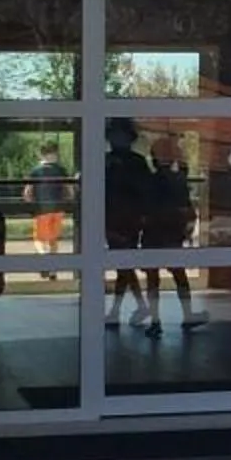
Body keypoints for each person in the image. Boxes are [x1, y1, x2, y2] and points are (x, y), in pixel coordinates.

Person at [142, 133, 207, 334]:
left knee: (153, 277)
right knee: (179, 274)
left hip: (153, 230)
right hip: (171, 231)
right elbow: (185, 206)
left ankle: (155, 321)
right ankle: (187, 315)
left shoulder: (149, 181)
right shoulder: (177, 180)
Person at [101, 118, 156, 329]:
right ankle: (133, 307)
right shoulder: (118, 161)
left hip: (126, 218)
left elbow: (145, 191)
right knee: (124, 264)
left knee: (123, 264)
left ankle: (118, 310)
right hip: (115, 217)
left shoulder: (131, 162)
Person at [26, 138, 72, 281]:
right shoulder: (61, 170)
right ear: (56, 154)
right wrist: (68, 200)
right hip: (58, 209)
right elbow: (69, 190)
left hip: (41, 209)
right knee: (53, 239)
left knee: (39, 239)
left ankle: (44, 258)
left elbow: (28, 192)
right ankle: (52, 270)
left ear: (40, 154)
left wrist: (31, 203)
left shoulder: (35, 171)